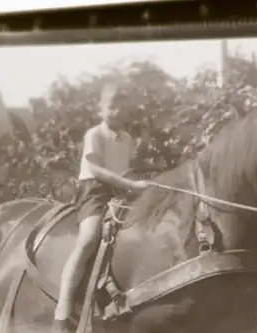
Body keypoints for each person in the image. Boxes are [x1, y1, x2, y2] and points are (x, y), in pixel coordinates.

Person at [53, 83, 151, 332]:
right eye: (111, 106)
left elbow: (126, 169)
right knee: (89, 237)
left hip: (119, 190)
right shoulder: (94, 134)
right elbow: (95, 168)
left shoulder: (127, 139)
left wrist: (141, 183)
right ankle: (62, 308)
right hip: (94, 190)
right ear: (101, 109)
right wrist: (129, 182)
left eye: (122, 107)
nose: (117, 111)